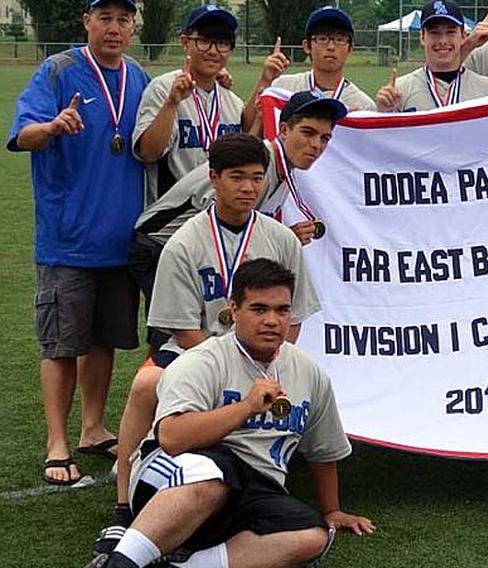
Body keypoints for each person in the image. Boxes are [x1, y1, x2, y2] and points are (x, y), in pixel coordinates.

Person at [94, 123, 340, 559]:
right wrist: (226, 358)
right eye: (237, 177)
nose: (248, 188)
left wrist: (269, 356)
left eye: (257, 178)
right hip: (198, 348)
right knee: (146, 384)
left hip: (264, 352)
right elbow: (181, 327)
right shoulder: (184, 242)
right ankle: (121, 506)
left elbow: (293, 315)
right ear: (214, 178)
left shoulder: (280, 238)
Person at [90, 258, 373, 568]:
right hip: (172, 480)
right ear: (233, 310)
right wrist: (246, 407)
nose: (272, 320)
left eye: (282, 310)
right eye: (259, 309)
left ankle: (181, 565)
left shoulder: (308, 371)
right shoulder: (201, 361)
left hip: (254, 491)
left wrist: (331, 510)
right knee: (214, 474)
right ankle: (122, 562)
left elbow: (323, 450)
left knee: (314, 535)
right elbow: (171, 438)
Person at [7, 0, 150, 486]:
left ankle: (92, 428)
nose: (114, 28)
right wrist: (51, 127)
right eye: (104, 18)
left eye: (123, 20)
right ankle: (57, 442)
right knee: (62, 344)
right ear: (86, 22)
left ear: (133, 27)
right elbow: (23, 135)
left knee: (103, 340)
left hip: (120, 238)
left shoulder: (139, 78)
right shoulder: (59, 70)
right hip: (68, 239)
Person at [128, 89, 340, 354]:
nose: (316, 145)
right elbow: (214, 221)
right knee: (172, 335)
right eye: (307, 133)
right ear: (284, 130)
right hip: (159, 243)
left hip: (194, 247)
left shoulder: (280, 167)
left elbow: (245, 228)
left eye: (325, 138)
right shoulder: (254, 165)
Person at [133, 4, 245, 201]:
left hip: (218, 218)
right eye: (204, 41)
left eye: (222, 43)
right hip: (172, 221)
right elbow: (149, 153)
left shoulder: (232, 102)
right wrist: (172, 103)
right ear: (185, 42)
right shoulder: (163, 88)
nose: (213, 51)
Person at [243, 5, 375, 134]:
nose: (331, 46)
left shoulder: (363, 105)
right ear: (307, 46)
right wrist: (265, 80)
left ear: (350, 48)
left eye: (339, 39)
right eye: (322, 38)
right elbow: (246, 128)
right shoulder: (283, 87)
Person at [375, 0, 488, 112]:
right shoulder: (399, 91)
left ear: (463, 36)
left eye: (450, 32)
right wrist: (384, 112)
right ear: (422, 37)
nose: (442, 41)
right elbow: (385, 136)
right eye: (434, 33)